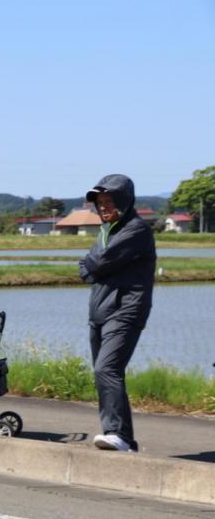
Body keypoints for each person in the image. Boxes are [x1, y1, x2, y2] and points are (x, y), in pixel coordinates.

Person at [79, 174, 155, 452]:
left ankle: (116, 433)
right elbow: (86, 269)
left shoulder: (136, 230)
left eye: (108, 201)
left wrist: (95, 265)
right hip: (100, 310)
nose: (103, 207)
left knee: (106, 368)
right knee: (106, 373)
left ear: (123, 201)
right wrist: (95, 265)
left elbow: (97, 263)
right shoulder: (106, 232)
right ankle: (126, 440)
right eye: (99, 203)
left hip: (125, 310)